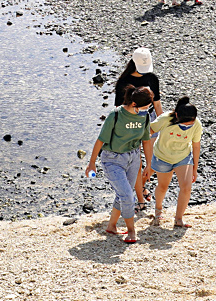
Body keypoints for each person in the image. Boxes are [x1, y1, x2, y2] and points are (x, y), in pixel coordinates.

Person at [84, 86, 155, 243]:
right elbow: (100, 140)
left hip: (133, 158)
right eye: (145, 107)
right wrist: (91, 164)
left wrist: (149, 164)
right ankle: (131, 231)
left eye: (148, 107)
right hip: (112, 160)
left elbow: (146, 141)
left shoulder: (144, 116)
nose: (147, 110)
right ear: (134, 104)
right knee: (127, 196)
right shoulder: (115, 116)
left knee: (123, 194)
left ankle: (111, 226)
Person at [114, 47, 164, 208]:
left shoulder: (152, 78)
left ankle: (141, 187)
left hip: (150, 120)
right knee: (137, 162)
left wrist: (162, 123)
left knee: (153, 161)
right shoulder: (123, 82)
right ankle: (140, 198)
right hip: (131, 122)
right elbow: (118, 108)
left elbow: (156, 102)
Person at [150, 96, 201, 228]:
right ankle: (158, 211)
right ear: (177, 115)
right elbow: (149, 131)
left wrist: (195, 168)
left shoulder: (196, 124)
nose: (187, 126)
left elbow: (196, 145)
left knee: (186, 186)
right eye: (184, 123)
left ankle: (178, 218)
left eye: (190, 123)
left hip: (183, 156)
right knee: (163, 186)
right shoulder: (165, 119)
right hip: (162, 156)